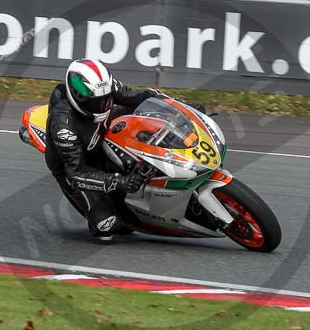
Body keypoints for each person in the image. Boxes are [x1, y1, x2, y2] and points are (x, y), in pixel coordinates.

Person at [45, 58, 204, 243]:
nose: (103, 105)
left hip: (99, 134)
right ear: (78, 97)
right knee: (107, 226)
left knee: (147, 118)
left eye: (106, 99)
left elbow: (142, 96)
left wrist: (183, 107)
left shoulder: (104, 88)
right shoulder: (63, 125)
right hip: (77, 166)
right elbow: (76, 173)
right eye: (96, 102)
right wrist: (119, 181)